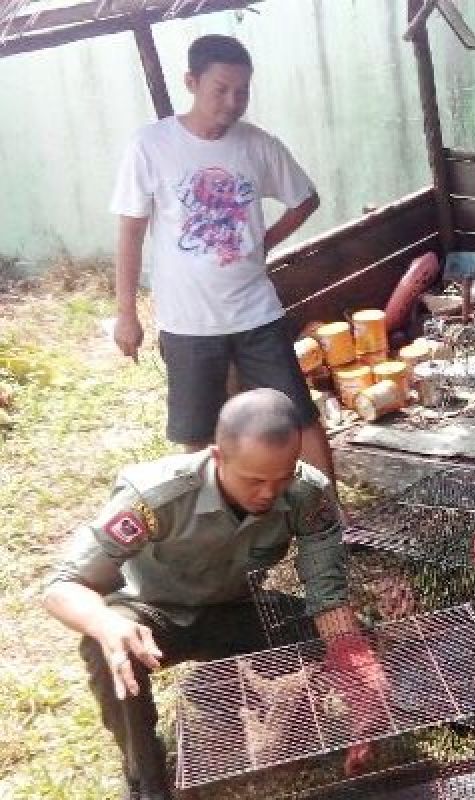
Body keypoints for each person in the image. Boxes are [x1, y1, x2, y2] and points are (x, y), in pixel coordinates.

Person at [42, 390, 384, 800]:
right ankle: (146, 777)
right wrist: (106, 623)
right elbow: (63, 585)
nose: (268, 494)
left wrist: (352, 658)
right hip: (152, 614)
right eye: (254, 480)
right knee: (109, 653)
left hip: (236, 607)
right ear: (217, 457)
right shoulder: (154, 496)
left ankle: (276, 708)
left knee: (354, 639)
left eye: (282, 477)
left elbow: (326, 592)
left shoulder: (307, 493)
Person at [109, 34, 336, 492]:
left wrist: (265, 241)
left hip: (256, 311)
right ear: (191, 82)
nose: (233, 102)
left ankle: (331, 517)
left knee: (298, 413)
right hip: (186, 318)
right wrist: (126, 314)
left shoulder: (258, 146)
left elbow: (305, 199)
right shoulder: (151, 145)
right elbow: (130, 232)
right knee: (196, 433)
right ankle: (213, 524)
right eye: (221, 89)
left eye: (242, 92)